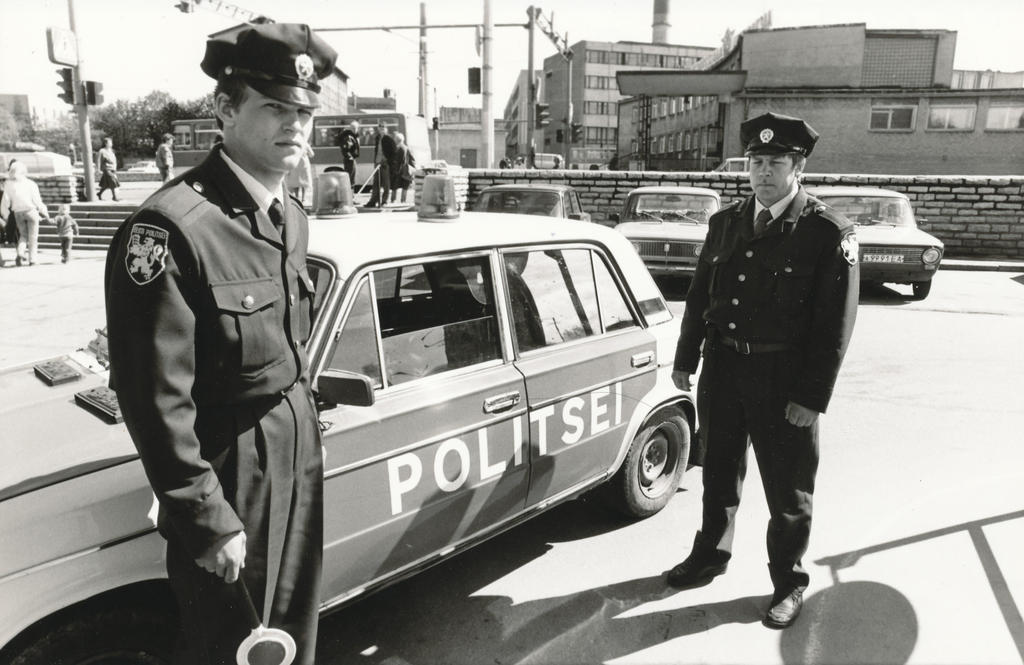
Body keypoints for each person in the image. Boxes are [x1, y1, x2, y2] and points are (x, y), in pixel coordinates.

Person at [104, 23, 337, 665]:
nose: (295, 126)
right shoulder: (171, 230)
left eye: (304, 112)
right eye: (274, 108)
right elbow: (154, 397)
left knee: (292, 633)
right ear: (225, 109)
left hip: (296, 455)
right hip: (232, 473)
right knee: (234, 648)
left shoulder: (287, 213)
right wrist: (206, 519)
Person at [666, 112, 859, 630]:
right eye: (756, 161)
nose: (763, 172)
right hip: (724, 368)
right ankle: (710, 554)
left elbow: (834, 327)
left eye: (775, 162)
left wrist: (812, 396)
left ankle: (789, 582)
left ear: (798, 167)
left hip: (784, 378)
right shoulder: (725, 222)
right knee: (719, 472)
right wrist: (686, 360)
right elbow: (699, 298)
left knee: (788, 489)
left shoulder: (826, 232)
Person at [0, 160, 50, 266]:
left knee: (23, 235)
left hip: (18, 213)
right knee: (33, 237)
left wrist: (5, 216)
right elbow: (37, 201)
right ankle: (32, 260)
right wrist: (45, 213)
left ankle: (20, 252)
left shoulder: (8, 185)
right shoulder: (31, 184)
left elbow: (5, 202)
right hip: (31, 211)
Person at [365, 123, 394, 207]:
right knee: (376, 183)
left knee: (386, 183)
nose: (381, 130)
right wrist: (376, 161)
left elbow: (393, 152)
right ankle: (373, 201)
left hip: (385, 164)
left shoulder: (389, 139)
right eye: (380, 128)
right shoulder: (377, 138)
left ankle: (384, 201)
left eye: (383, 128)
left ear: (386, 129)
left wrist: (387, 161)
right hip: (377, 163)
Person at [388, 131, 415, 204]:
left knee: (394, 186)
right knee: (404, 187)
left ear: (397, 140)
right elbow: (412, 160)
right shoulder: (407, 148)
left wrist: (394, 170)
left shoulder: (398, 148)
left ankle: (393, 200)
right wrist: (413, 170)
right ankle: (403, 201)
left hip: (399, 171)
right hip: (406, 171)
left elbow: (399, 161)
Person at [286, 142, 314, 207]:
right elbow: (312, 154)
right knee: (304, 182)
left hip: (295, 164)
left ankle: (296, 197)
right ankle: (303, 199)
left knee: (296, 182)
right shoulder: (305, 144)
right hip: (304, 165)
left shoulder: (293, 143)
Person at [337, 119, 360, 189]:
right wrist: (350, 157)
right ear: (352, 128)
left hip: (350, 159)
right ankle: (350, 197)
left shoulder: (351, 136)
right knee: (350, 179)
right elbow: (346, 149)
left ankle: (350, 196)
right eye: (355, 128)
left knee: (351, 178)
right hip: (350, 160)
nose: (356, 130)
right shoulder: (349, 137)